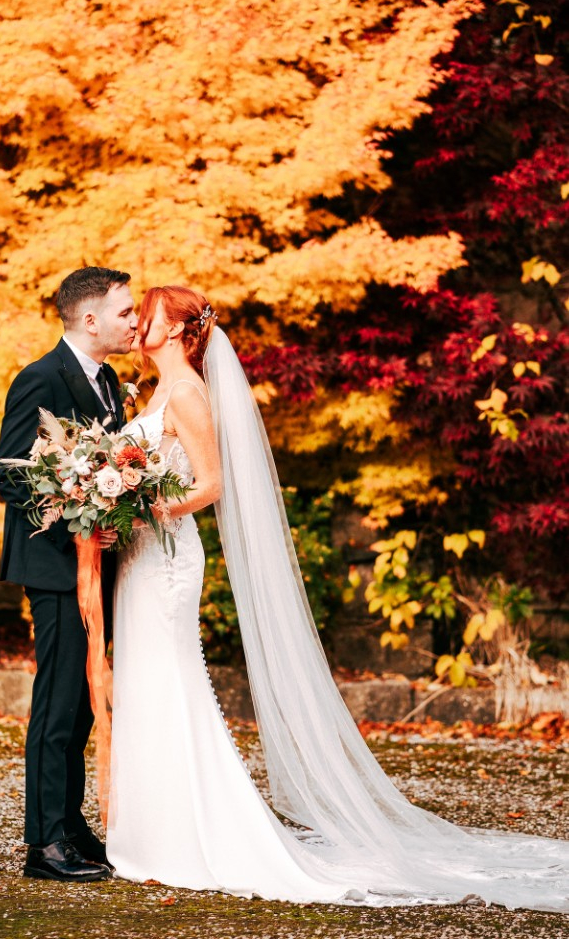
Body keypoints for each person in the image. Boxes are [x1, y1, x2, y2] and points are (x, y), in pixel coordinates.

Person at [106, 284, 569, 911]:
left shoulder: (187, 394)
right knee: (144, 683)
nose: (138, 326)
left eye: (149, 316)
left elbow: (212, 484)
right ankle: (151, 827)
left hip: (166, 557)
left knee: (172, 682)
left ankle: (194, 833)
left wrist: (156, 505)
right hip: (140, 556)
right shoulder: (152, 392)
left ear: (180, 329)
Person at [0, 266, 138, 883]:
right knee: (56, 706)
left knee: (82, 706)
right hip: (55, 570)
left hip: (99, 567)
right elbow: (8, 473)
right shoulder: (40, 377)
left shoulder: (108, 381)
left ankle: (72, 828)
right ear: (89, 319)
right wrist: (77, 508)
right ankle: (44, 845)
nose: (133, 321)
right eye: (125, 312)